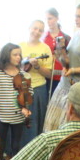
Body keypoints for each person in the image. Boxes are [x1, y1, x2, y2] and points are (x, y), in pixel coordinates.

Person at [44, 2, 80, 132]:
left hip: (78, 85)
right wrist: (62, 58)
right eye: (75, 16)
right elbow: (70, 60)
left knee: (68, 125)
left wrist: (73, 70)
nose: (76, 20)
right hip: (64, 83)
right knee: (53, 122)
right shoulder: (75, 35)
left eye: (79, 17)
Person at [0, 43, 33, 160]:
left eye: (19, 55)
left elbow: (27, 96)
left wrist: (25, 108)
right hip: (1, 117)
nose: (18, 57)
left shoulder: (25, 75)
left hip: (18, 118)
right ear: (7, 56)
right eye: (15, 55)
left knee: (16, 147)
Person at [19, 19, 53, 148]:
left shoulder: (45, 48)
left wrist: (37, 66)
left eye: (40, 30)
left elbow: (49, 74)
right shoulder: (20, 46)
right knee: (20, 122)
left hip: (38, 89)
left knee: (35, 122)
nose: (36, 32)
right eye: (35, 28)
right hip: (21, 88)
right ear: (29, 28)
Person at [44, 7, 71, 98]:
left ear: (57, 18)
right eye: (46, 19)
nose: (48, 21)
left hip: (60, 76)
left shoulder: (66, 37)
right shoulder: (43, 37)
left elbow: (69, 57)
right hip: (46, 76)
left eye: (50, 18)